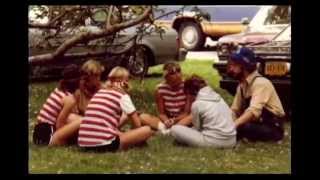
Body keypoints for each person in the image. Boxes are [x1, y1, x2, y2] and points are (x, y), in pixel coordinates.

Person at [77, 66, 154, 152]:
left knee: (123, 121)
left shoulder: (100, 92)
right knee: (147, 130)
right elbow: (137, 124)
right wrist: (136, 136)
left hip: (85, 144)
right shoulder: (122, 95)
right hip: (105, 144)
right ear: (125, 81)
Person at [226, 47, 286, 142]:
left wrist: (233, 125)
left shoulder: (261, 83)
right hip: (256, 123)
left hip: (272, 127)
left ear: (244, 66)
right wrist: (226, 122)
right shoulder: (242, 85)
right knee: (236, 127)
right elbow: (234, 110)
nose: (231, 68)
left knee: (243, 128)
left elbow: (253, 112)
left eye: (234, 65)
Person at [170, 75, 237, 148]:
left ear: (191, 92)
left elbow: (198, 128)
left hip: (213, 142)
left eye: (188, 95)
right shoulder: (219, 98)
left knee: (175, 129)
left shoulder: (197, 104)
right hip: (232, 141)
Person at [33, 64, 82, 146]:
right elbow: (60, 124)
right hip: (47, 134)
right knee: (80, 121)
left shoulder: (58, 91)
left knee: (73, 118)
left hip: (38, 133)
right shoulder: (68, 99)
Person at [139, 62, 193, 135]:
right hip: (169, 120)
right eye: (173, 82)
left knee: (192, 116)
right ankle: (169, 131)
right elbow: (161, 113)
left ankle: (169, 131)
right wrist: (166, 121)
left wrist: (174, 120)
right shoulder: (160, 89)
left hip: (183, 119)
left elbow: (186, 113)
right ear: (166, 78)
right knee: (143, 117)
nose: (177, 84)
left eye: (179, 81)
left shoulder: (187, 87)